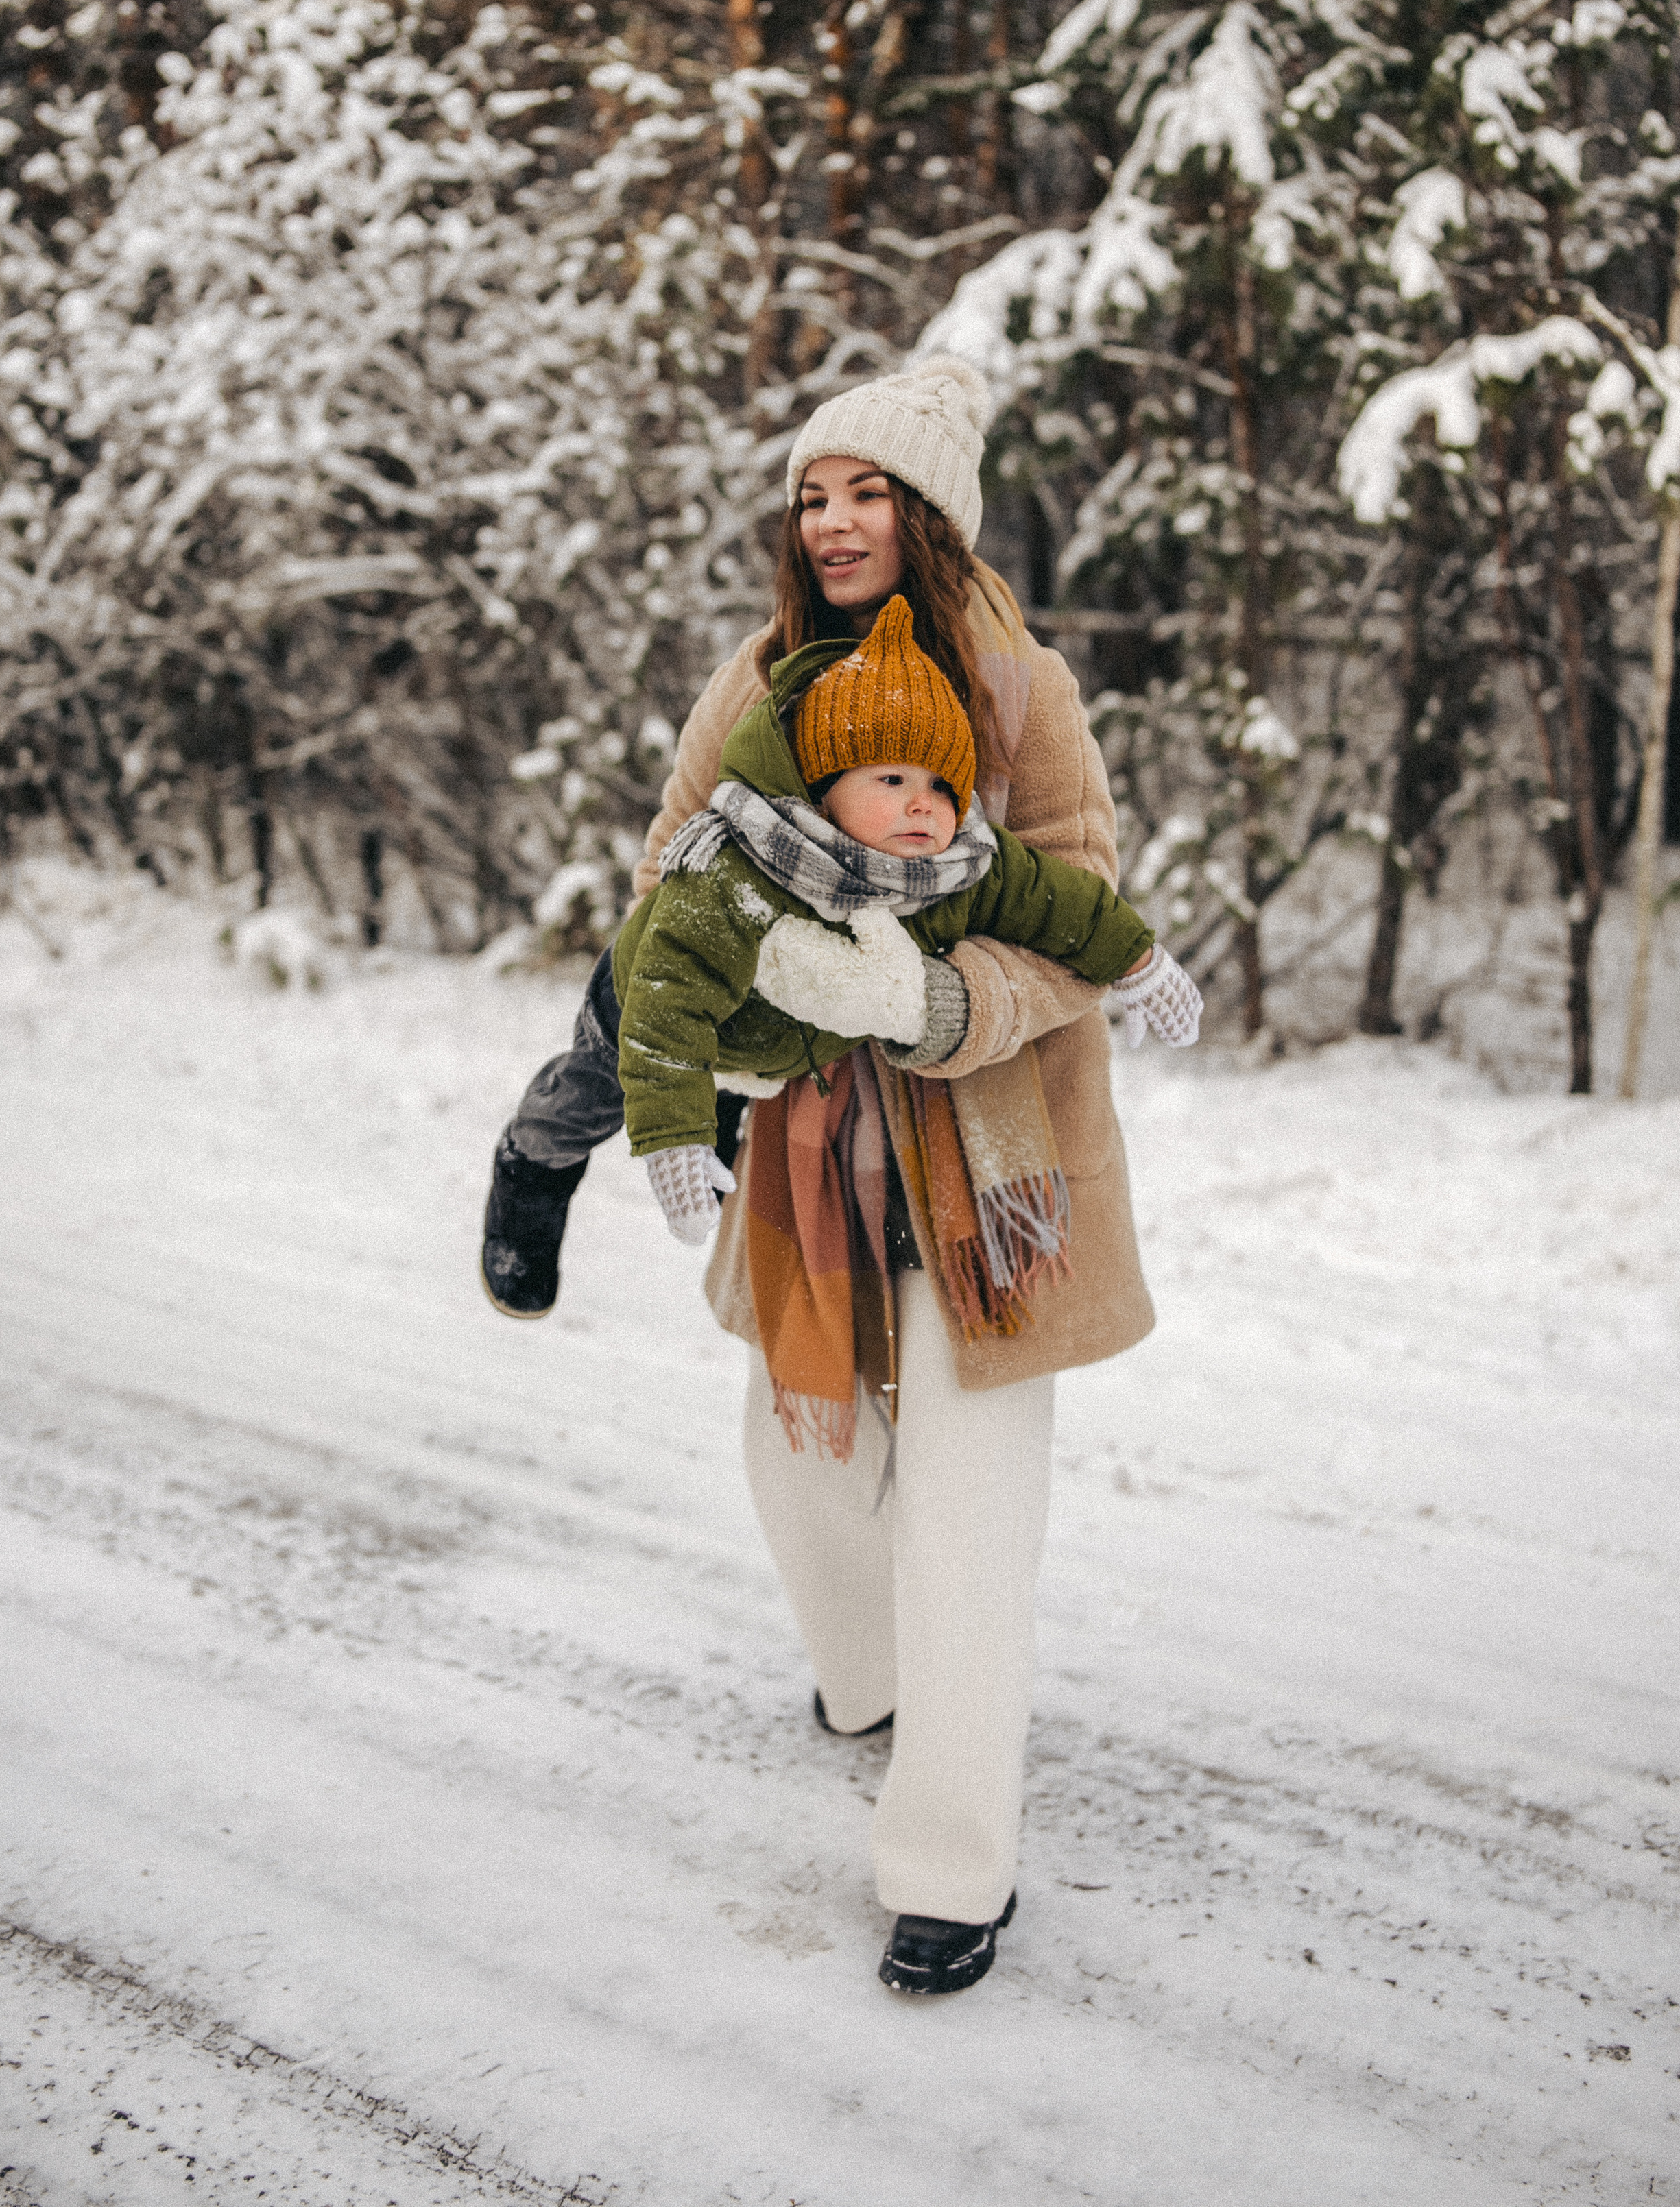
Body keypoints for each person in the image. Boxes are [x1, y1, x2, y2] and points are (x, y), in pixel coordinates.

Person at [482, 356, 1190, 1994]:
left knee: (965, 1510)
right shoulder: (757, 679)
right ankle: (865, 1682)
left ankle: (951, 1860)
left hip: (993, 1160)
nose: (835, 518)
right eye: (814, 493)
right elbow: (668, 871)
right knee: (797, 1465)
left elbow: (1076, 917)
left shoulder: (1024, 693)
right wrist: (724, 1020)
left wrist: (934, 1002)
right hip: (805, 1143)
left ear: (927, 513)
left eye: (867, 490)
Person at [607, 590, 1199, 1264]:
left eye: (944, 787)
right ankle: (537, 1160)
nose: (924, 803)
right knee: (590, 1093)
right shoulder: (744, 867)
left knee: (722, 1084)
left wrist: (1136, 962)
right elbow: (668, 1002)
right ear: (825, 789)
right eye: (891, 778)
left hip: (769, 1049)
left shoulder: (958, 867)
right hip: (640, 1000)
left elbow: (1059, 902)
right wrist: (673, 1137)